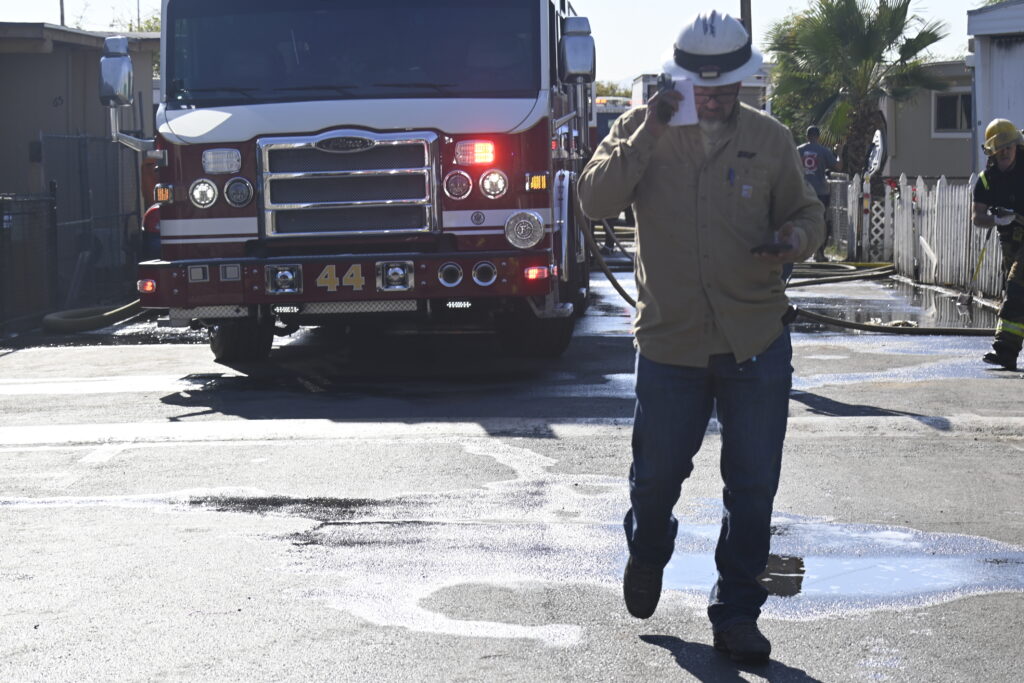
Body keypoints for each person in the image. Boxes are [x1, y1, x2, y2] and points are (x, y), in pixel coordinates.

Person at [577, 10, 824, 665]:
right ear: (678, 80)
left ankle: (736, 612)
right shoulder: (641, 129)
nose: (712, 99)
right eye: (701, 88)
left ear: (743, 82)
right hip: (670, 342)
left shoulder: (770, 139)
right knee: (655, 478)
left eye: (724, 88)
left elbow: (806, 211)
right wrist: (650, 129)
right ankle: (648, 545)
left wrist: (795, 237)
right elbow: (594, 200)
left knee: (753, 487)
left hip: (755, 339)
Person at [972, 118, 1024, 371]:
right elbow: (977, 217)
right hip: (1010, 240)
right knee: (1016, 293)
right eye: (999, 148)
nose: (1004, 152)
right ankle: (1007, 353)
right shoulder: (986, 180)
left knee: (1017, 287)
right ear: (991, 151)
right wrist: (996, 219)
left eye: (1008, 147)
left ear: (1016, 146)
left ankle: (1005, 349)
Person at [797, 126, 838, 261]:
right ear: (818, 137)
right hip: (820, 192)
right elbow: (838, 166)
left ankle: (799, 251)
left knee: (800, 220)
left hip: (803, 192)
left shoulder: (798, 150)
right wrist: (840, 153)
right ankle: (819, 252)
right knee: (821, 221)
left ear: (807, 136)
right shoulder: (824, 151)